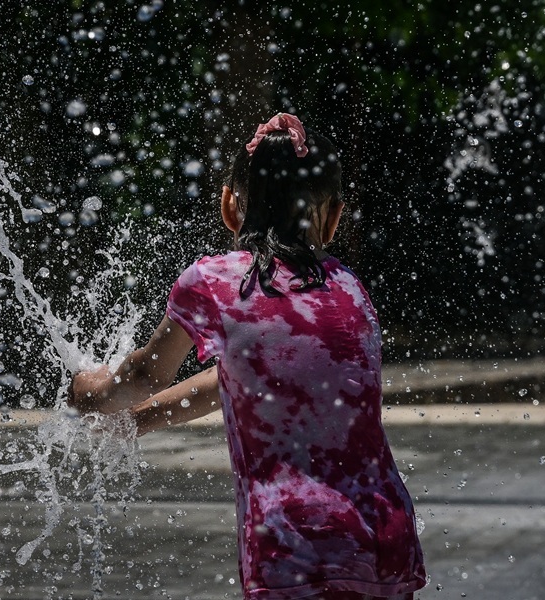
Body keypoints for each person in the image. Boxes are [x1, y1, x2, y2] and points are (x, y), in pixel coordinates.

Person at [68, 113, 426, 600]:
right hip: (386, 539)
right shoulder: (349, 289)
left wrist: (86, 392)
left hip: (295, 545)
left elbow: (143, 374)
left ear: (229, 207)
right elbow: (257, 377)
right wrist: (141, 421)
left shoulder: (215, 283)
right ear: (334, 217)